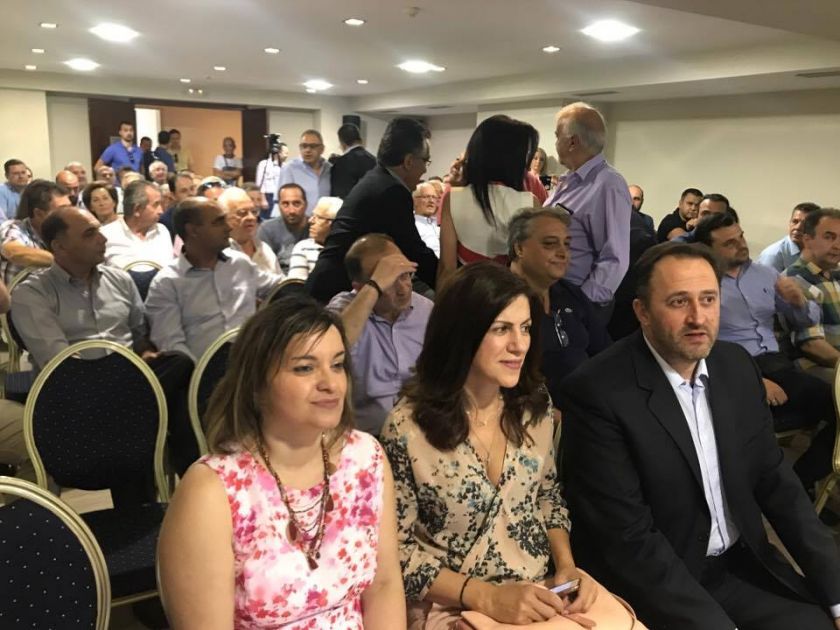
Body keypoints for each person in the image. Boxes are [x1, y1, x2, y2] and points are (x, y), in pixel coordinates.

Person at [560, 241, 840, 630]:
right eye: (679, 302)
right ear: (642, 312)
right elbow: (627, 538)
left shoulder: (735, 367)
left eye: (708, 299)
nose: (698, 317)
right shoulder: (598, 392)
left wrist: (836, 595)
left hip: (737, 564)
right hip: (651, 580)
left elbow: (777, 483)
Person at [157, 296, 405, 628]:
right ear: (257, 384)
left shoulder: (365, 457)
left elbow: (384, 585)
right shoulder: (212, 491)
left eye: (337, 365)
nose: (331, 384)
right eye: (305, 368)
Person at [381, 261, 605, 628]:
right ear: (461, 333)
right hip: (450, 605)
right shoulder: (408, 427)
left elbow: (547, 497)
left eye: (526, 328)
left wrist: (567, 568)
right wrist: (486, 597)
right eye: (501, 329)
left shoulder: (534, 406)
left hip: (535, 592)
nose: (519, 345)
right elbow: (394, 553)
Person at [13, 205, 197, 477]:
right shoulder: (33, 293)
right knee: (145, 410)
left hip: (128, 382)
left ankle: (184, 473)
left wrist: (145, 352)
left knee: (180, 363)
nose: (103, 239)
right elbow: (59, 363)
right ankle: (186, 471)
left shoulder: (119, 279)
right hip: (75, 392)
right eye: (89, 234)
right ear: (59, 246)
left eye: (99, 230)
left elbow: (139, 336)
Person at [694, 212, 835, 493]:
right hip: (731, 366)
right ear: (709, 250)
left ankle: (800, 480)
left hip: (777, 364)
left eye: (741, 237)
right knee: (750, 421)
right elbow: (701, 347)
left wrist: (798, 303)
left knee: (835, 406)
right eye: (729, 243)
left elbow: (804, 322)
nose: (741, 245)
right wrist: (753, 381)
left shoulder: (765, 274)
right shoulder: (702, 284)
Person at [307, 118, 438, 303]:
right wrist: (451, 282)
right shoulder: (392, 191)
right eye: (425, 161)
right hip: (334, 294)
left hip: (328, 284)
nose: (425, 169)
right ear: (409, 161)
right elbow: (414, 252)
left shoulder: (378, 179)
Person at [146, 197, 283, 362]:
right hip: (201, 371)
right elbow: (172, 346)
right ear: (193, 230)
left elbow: (281, 286)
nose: (228, 227)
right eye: (218, 222)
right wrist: (204, 371)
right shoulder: (167, 283)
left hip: (254, 362)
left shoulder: (239, 263)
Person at [327, 234, 431, 435]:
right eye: (389, 281)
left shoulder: (426, 310)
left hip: (419, 431)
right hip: (363, 435)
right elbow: (332, 345)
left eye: (405, 275)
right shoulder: (345, 309)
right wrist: (375, 286)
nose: (403, 289)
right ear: (360, 287)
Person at [508, 208, 611, 404]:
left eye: (567, 244)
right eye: (550, 244)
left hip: (588, 405)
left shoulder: (570, 294)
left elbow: (605, 352)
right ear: (519, 248)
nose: (563, 253)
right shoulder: (497, 298)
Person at [544, 102, 632, 326]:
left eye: (557, 136)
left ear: (572, 141)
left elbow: (615, 258)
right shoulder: (569, 181)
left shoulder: (608, 184)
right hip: (553, 295)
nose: (556, 143)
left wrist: (582, 306)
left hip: (576, 302)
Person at [438, 115, 541, 283]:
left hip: (465, 290)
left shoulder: (453, 198)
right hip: (511, 292)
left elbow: (446, 268)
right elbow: (533, 269)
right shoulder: (530, 203)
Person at [783, 207, 840, 384]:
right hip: (817, 369)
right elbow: (811, 345)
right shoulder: (796, 280)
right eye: (829, 237)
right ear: (807, 239)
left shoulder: (833, 274)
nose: (838, 245)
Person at [0, 180, 70, 284]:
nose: (70, 214)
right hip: (21, 293)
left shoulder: (67, 231)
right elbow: (13, 252)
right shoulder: (15, 227)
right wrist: (63, 262)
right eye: (62, 210)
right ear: (39, 213)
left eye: (70, 207)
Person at [100, 179, 172, 269]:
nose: (161, 211)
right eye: (155, 205)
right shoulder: (105, 235)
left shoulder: (162, 231)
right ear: (137, 209)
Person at [219, 186, 281, 274]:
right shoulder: (218, 254)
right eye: (242, 213)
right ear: (225, 218)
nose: (251, 217)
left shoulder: (264, 249)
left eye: (254, 212)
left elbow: (280, 281)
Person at [257, 183, 310, 273]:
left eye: (296, 204)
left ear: (306, 204)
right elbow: (263, 268)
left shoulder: (316, 228)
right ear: (279, 205)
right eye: (285, 204)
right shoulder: (267, 229)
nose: (291, 210)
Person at [278, 129, 332, 215]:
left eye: (313, 146)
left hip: (324, 221)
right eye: (304, 146)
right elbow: (282, 200)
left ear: (322, 149)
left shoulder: (330, 169)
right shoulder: (289, 169)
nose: (307, 150)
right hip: (298, 220)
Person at [287, 196, 342, 281]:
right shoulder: (303, 248)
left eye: (318, 217)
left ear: (333, 223)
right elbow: (296, 286)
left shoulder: (348, 248)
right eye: (313, 215)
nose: (310, 220)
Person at [758, 202, 820, 272]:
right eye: (795, 221)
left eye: (805, 224)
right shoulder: (773, 255)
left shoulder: (817, 251)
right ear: (790, 222)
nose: (798, 227)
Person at [330, 123, 376, 199]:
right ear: (360, 140)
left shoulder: (341, 163)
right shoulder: (375, 160)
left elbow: (338, 196)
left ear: (342, 143)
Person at [255, 142, 287, 220]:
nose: (286, 155)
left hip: (280, 196)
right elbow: (259, 183)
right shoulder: (264, 164)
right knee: (266, 220)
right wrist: (263, 199)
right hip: (268, 196)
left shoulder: (285, 166)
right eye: (285, 153)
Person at [159, 172, 196, 239]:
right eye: (184, 191)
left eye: (192, 189)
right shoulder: (166, 221)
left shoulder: (204, 212)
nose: (191, 194)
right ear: (173, 195)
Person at [413, 182, 440, 258]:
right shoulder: (410, 224)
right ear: (415, 200)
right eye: (426, 197)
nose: (431, 201)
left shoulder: (440, 224)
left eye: (434, 197)